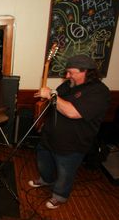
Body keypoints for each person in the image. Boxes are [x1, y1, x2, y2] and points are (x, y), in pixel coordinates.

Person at [29, 54, 110, 209]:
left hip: (72, 144)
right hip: (49, 137)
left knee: (65, 172)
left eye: (71, 72)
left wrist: (52, 95)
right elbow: (55, 104)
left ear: (86, 71)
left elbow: (73, 112)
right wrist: (42, 121)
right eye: (67, 72)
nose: (67, 76)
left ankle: (60, 195)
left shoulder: (99, 92)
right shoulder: (67, 85)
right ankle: (46, 179)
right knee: (44, 162)